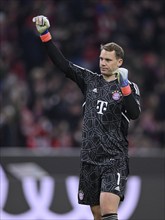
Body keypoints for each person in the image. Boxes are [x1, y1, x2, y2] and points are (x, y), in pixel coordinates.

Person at [32, 15, 141, 220]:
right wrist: (45, 35)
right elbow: (63, 64)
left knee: (109, 210)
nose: (103, 63)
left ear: (120, 62)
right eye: (101, 59)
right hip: (90, 159)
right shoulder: (90, 81)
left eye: (108, 60)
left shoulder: (129, 87)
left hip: (114, 159)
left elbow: (134, 114)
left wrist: (125, 86)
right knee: (97, 214)